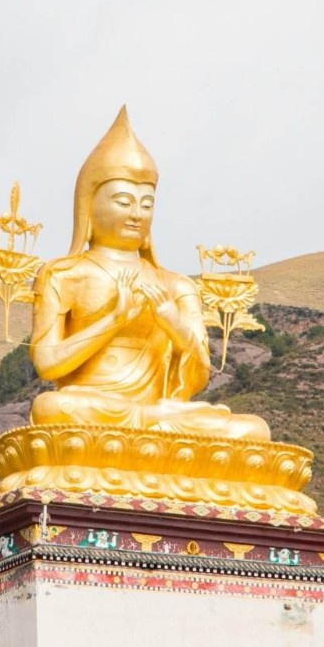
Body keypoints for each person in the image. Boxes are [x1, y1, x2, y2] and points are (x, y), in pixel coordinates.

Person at [27, 108, 270, 442]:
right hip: (90, 409)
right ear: (89, 205)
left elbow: (199, 371)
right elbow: (47, 363)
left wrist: (172, 321)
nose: (136, 215)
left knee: (253, 431)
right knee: (51, 408)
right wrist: (114, 319)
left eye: (146, 204)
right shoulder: (64, 274)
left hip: (161, 413)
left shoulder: (176, 285)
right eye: (124, 202)